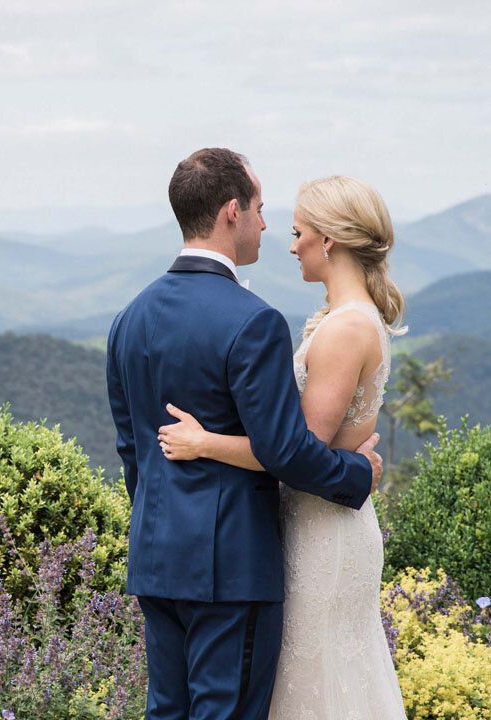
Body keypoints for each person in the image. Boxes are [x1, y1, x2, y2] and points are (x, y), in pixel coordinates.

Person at [106, 148, 383, 720]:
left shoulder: (128, 318)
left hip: (156, 557)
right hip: (232, 566)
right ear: (232, 211)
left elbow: (133, 450)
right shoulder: (252, 320)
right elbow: (286, 450)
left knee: (167, 712)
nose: (265, 224)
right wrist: (358, 473)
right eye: (259, 209)